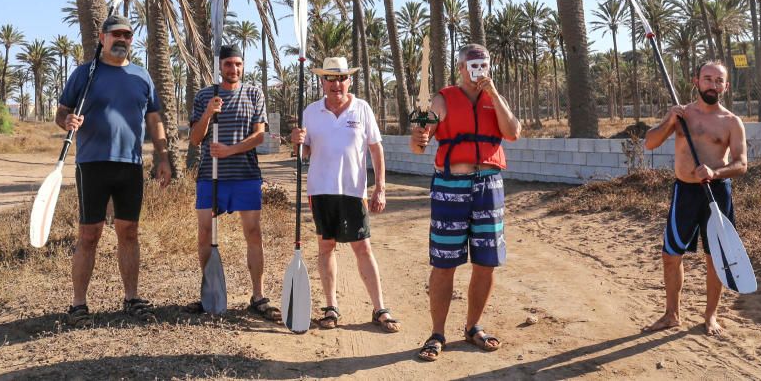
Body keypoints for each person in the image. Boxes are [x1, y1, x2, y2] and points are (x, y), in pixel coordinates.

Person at [55, 15, 172, 327]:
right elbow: (62, 112)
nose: (122, 39)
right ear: (102, 38)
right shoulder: (85, 74)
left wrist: (163, 156)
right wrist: (67, 122)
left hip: (131, 165)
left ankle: (131, 298)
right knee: (89, 234)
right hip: (92, 164)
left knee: (129, 232)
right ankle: (78, 304)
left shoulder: (142, 76)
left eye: (128, 35)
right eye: (116, 34)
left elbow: (154, 119)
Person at [409, 44, 521, 362]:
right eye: (472, 66)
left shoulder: (494, 98)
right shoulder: (442, 99)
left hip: (489, 185)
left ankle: (473, 327)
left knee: (486, 261)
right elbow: (420, 143)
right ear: (460, 68)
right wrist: (417, 139)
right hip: (450, 186)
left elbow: (512, 132)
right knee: (444, 263)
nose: (478, 71)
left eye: (483, 65)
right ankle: (437, 333)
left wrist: (494, 93)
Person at [289, 56, 399, 333]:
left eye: (341, 78)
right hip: (320, 190)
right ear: (322, 82)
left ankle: (380, 308)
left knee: (363, 248)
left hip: (353, 192)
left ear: (349, 80)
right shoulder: (311, 112)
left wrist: (380, 188)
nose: (336, 84)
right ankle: (331, 306)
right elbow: (304, 154)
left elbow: (376, 150)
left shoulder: (362, 109)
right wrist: (297, 144)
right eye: (330, 78)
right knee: (326, 248)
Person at [643, 60, 748, 337]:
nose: (713, 84)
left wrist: (715, 171)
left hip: (716, 193)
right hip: (685, 192)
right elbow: (650, 143)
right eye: (707, 78)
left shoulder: (731, 122)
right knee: (670, 255)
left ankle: (710, 315)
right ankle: (671, 315)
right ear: (696, 81)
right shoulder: (682, 115)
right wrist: (669, 120)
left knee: (715, 258)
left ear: (725, 86)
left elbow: (741, 164)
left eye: (718, 80)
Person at [188, 44, 278, 320]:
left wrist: (229, 150)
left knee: (253, 233)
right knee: (205, 233)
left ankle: (258, 295)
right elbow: (194, 138)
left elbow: (259, 136)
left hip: (245, 175)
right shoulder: (205, 95)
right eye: (229, 64)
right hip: (210, 177)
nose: (234, 69)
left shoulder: (253, 93)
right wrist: (208, 114)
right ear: (220, 67)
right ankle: (209, 292)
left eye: (238, 64)